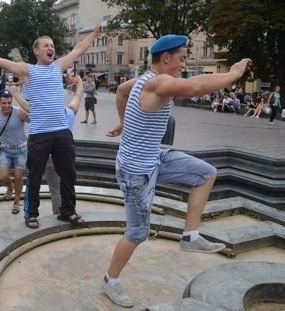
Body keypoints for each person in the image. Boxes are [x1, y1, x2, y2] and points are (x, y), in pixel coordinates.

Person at [102, 34, 252, 307]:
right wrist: (233, 73)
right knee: (137, 234)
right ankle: (110, 281)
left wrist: (125, 123)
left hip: (153, 157)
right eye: (182, 59)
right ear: (166, 58)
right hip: (136, 171)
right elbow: (195, 87)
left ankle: (190, 236)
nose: (185, 64)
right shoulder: (159, 81)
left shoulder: (144, 81)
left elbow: (123, 90)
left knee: (206, 173)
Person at [0, 23, 101, 228]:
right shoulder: (28, 70)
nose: (50, 48)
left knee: (69, 175)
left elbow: (79, 48)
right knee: (35, 177)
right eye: (45, 45)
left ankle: (68, 211)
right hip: (39, 134)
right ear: (37, 51)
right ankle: (31, 213)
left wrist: (94, 34)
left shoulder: (59, 66)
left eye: (51, 45)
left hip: (62, 132)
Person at [11, 76, 84, 215]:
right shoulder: (69, 112)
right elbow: (78, 96)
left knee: (54, 189)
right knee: (66, 184)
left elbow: (27, 107)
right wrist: (80, 84)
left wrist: (16, 94)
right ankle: (67, 212)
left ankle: (53, 214)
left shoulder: (43, 113)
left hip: (49, 156)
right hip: (65, 155)